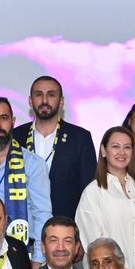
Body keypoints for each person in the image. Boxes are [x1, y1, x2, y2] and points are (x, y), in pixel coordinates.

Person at [0, 96, 52, 261]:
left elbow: (42, 214)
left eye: (4, 118)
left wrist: (39, 258)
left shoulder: (33, 163)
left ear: (13, 121)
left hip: (22, 252)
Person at [75, 126, 135, 269]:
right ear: (104, 151)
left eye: (127, 147)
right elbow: (92, 240)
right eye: (116, 146)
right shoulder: (92, 192)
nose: (122, 152)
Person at [24, 75, 97, 221]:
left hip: (66, 226)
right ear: (30, 101)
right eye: (39, 95)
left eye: (51, 95)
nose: (45, 101)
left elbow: (89, 190)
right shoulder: (16, 136)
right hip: (24, 227)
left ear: (61, 101)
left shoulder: (80, 138)